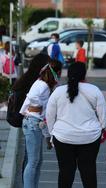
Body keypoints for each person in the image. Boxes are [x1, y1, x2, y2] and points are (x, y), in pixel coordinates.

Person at [46, 63, 106, 188]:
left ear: (68, 74)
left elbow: (49, 115)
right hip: (90, 137)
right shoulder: (94, 90)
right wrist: (101, 128)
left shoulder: (58, 91)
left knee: (65, 173)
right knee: (89, 172)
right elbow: (103, 115)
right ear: (84, 74)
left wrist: (52, 133)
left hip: (63, 136)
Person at [19, 59, 62, 188]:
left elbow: (29, 102)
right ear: (57, 72)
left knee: (35, 160)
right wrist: (48, 135)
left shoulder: (39, 83)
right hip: (33, 123)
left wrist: (25, 112)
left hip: (31, 121)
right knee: (33, 161)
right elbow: (44, 113)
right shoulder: (44, 87)